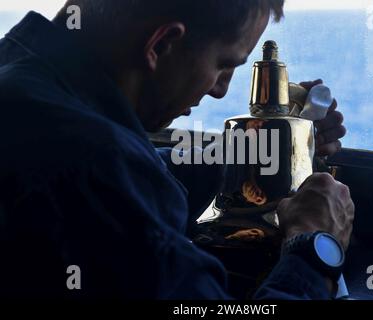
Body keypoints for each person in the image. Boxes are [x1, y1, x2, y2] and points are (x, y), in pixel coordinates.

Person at [0, 0, 354, 299]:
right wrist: (313, 247)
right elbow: (112, 175)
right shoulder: (96, 170)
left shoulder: (23, 81)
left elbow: (143, 165)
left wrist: (260, 155)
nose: (219, 90)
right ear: (162, 44)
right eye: (224, 65)